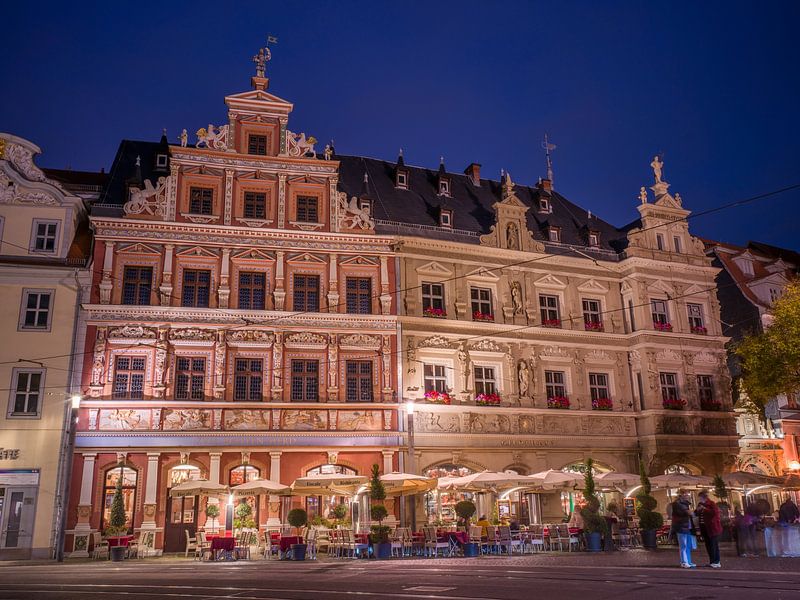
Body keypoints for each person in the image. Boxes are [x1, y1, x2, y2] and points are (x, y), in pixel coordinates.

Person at [696, 490, 722, 568]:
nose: (699, 499)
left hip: (712, 527)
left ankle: (716, 561)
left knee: (713, 545)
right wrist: (697, 510)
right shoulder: (700, 504)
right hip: (704, 527)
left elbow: (715, 513)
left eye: (700, 498)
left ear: (704, 497)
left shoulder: (711, 503)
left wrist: (704, 508)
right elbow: (697, 513)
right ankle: (712, 561)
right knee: (708, 545)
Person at [670, 490, 696, 568]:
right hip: (681, 526)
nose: (687, 495)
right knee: (683, 545)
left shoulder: (685, 503)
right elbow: (687, 513)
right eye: (685, 494)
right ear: (680, 495)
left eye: (687, 494)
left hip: (687, 526)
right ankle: (684, 562)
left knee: (688, 545)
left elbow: (690, 513)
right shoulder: (677, 503)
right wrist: (689, 512)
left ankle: (688, 561)